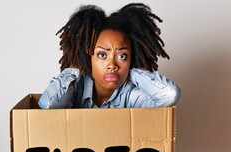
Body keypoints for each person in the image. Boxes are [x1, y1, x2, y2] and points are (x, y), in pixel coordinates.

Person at [38, 3, 181, 109]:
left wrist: (131, 70)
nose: (112, 65)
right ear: (88, 57)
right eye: (102, 55)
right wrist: (76, 66)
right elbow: (49, 104)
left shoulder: (131, 95)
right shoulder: (75, 88)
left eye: (122, 56)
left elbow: (170, 95)